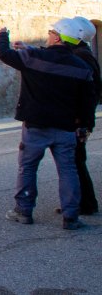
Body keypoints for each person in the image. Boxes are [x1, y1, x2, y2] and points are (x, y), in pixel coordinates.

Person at [0, 19, 95, 230]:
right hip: (65, 128)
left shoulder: (34, 58)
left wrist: (2, 34)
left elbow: (3, 53)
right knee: (68, 171)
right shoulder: (82, 67)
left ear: (57, 37)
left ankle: (23, 211)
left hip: (35, 127)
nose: (48, 35)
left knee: (28, 168)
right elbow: (87, 102)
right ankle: (71, 217)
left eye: (51, 32)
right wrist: (84, 126)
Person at [66, 17, 99, 216]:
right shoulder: (81, 53)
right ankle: (81, 202)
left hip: (78, 120)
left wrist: (84, 122)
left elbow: (90, 92)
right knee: (75, 161)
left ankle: (86, 204)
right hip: (79, 118)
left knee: (76, 162)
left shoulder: (81, 57)